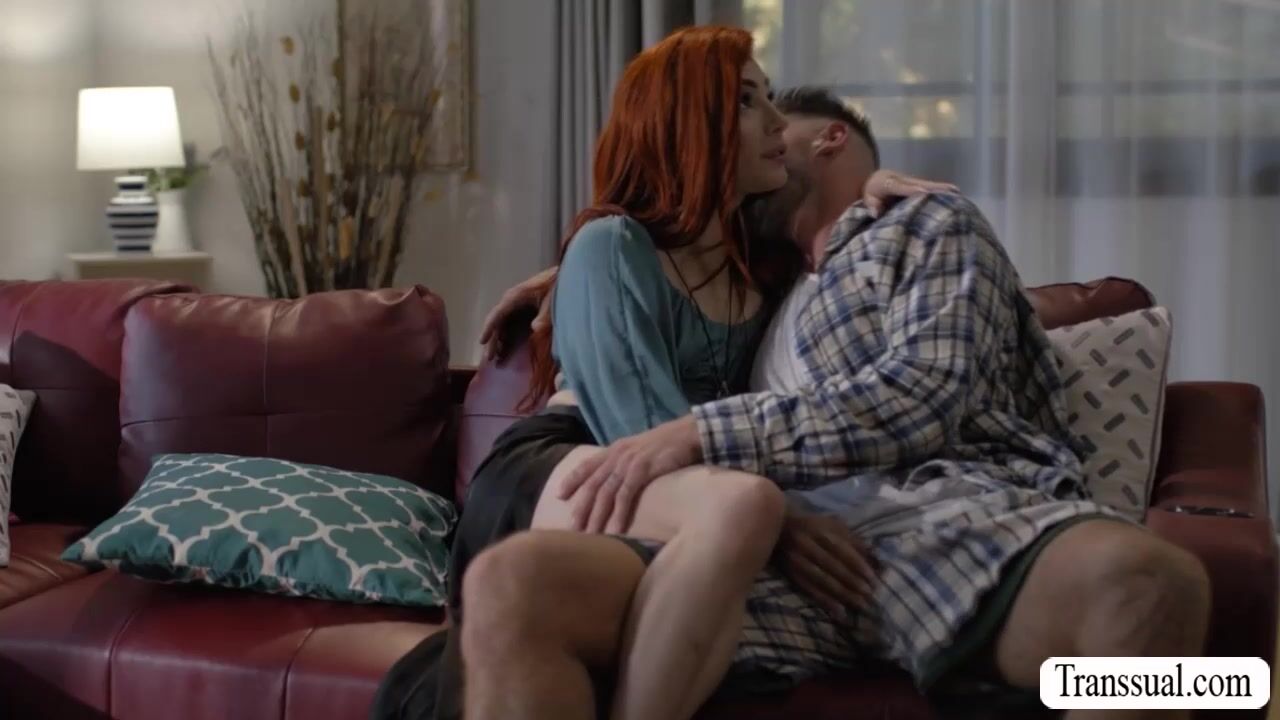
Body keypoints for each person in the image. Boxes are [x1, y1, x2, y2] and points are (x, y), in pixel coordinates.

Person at [459, 86, 1212, 720]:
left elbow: (923, 397)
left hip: (940, 527)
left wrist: (703, 433)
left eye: (775, 129)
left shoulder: (926, 224)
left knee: (1150, 587)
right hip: (771, 558)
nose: (758, 147)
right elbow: (658, 256)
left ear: (828, 139)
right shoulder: (759, 279)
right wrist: (566, 274)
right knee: (517, 583)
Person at [371, 28, 950, 720]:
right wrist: (787, 529)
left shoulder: (761, 263)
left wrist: (873, 189)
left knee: (739, 515)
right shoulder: (613, 244)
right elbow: (638, 427)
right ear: (688, 122)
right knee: (747, 504)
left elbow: (848, 244)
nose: (776, 122)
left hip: (684, 487)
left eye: (769, 98)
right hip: (574, 458)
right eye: (747, 101)